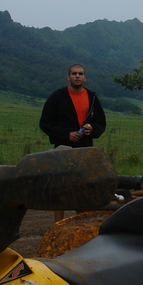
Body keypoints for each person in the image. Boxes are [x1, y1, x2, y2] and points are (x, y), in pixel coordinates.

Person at [40, 64, 107, 222]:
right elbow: (45, 123)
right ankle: (58, 224)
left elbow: (101, 123)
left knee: (83, 186)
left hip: (85, 149)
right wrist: (66, 135)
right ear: (68, 77)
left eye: (80, 73)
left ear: (85, 78)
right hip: (63, 149)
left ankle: (80, 221)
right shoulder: (57, 97)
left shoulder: (92, 97)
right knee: (60, 187)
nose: (77, 76)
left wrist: (92, 130)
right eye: (74, 73)